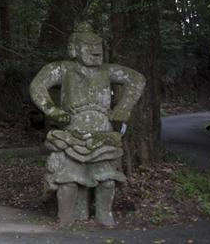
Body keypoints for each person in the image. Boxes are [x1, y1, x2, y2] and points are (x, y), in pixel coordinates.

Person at [29, 23, 145, 226]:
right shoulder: (64, 69)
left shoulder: (107, 71)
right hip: (72, 133)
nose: (95, 49)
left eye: (98, 45)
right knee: (69, 181)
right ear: (73, 48)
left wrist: (124, 107)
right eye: (89, 45)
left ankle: (104, 215)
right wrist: (52, 110)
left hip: (103, 134)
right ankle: (68, 217)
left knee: (107, 180)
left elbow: (137, 79)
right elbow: (37, 85)